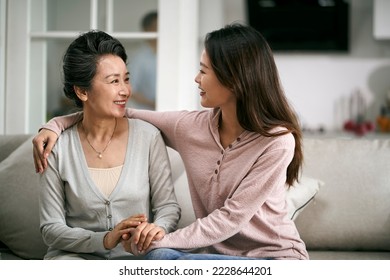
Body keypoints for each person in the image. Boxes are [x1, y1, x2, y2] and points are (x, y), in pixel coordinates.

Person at [33, 23, 308, 260]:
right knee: (159, 257)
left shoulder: (277, 142)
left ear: (235, 80)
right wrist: (56, 124)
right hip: (217, 259)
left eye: (204, 71)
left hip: (275, 258)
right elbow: (115, 110)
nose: (196, 78)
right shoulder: (191, 127)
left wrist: (155, 240)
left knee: (158, 254)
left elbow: (230, 219)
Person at [37, 30, 180, 260]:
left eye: (126, 78)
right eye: (114, 81)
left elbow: (168, 208)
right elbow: (50, 229)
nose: (125, 90)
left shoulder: (148, 137)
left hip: (133, 259)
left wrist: (156, 229)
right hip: (74, 260)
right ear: (82, 91)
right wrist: (104, 239)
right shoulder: (56, 147)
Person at [127, 11, 158, 110]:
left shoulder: (170, 55)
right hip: (146, 115)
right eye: (156, 27)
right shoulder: (139, 58)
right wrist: (153, 103)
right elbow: (131, 90)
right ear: (147, 30)